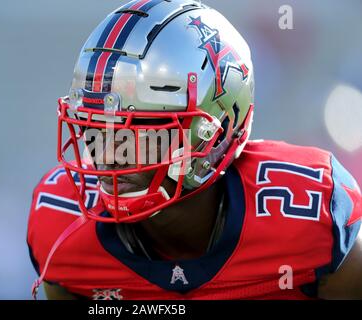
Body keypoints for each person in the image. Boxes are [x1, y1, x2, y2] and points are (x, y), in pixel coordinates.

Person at [27, 0, 362, 300]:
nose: (109, 155)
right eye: (97, 127)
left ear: (214, 135)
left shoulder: (311, 220)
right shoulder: (64, 231)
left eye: (140, 131)